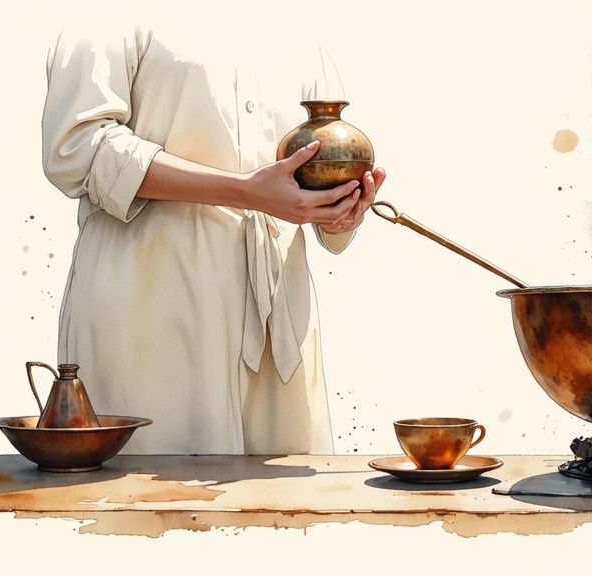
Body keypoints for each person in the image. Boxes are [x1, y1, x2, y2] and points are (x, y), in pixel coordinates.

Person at [41, 19, 385, 454]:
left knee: (285, 509)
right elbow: (76, 146)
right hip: (151, 303)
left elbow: (322, 155)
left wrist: (339, 211)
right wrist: (243, 191)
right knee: (147, 503)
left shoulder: (298, 28)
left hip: (278, 313)